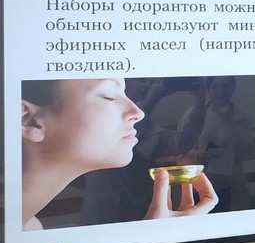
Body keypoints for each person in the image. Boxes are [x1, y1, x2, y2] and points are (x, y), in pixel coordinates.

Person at [21, 78, 217, 230]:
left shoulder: (31, 228)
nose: (138, 113)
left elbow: (177, 143)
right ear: (29, 120)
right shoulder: (19, 233)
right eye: (109, 96)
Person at [78, 77, 208, 226]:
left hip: (137, 215)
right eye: (141, 80)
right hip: (101, 215)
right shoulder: (100, 116)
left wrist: (200, 103)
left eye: (151, 82)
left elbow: (180, 143)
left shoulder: (149, 129)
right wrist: (150, 101)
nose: (147, 85)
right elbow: (117, 128)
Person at [178, 76, 255, 212]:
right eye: (215, 87)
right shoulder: (195, 113)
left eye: (225, 86)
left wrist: (228, 120)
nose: (221, 91)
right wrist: (197, 155)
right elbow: (180, 145)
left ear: (233, 88)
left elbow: (247, 151)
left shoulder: (242, 117)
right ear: (209, 90)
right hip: (200, 177)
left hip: (231, 181)